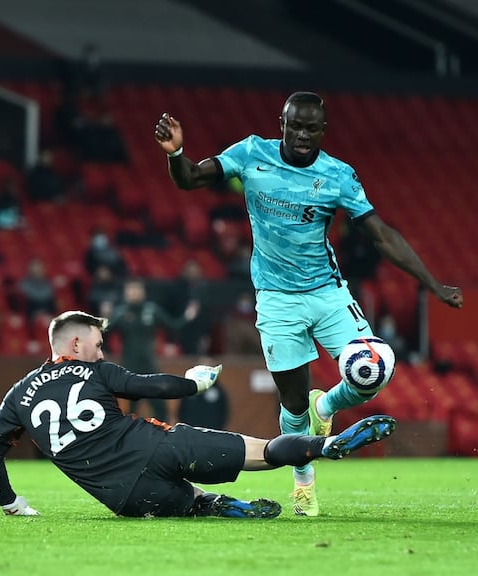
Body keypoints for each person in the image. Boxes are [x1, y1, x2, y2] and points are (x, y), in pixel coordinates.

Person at [154, 92, 462, 516]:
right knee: (293, 403)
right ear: (281, 123)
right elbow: (190, 178)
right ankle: (303, 481)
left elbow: (381, 235)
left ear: (323, 131)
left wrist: (432, 284)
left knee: (375, 369)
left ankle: (328, 405)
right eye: (295, 126)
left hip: (327, 294)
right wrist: (176, 154)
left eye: (311, 128)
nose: (302, 135)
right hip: (276, 300)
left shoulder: (337, 175)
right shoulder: (251, 153)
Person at [0, 310, 396, 518]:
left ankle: (215, 504)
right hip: (158, 447)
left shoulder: (18, 396)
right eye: (98, 344)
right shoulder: (96, 371)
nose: (101, 352)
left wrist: (12, 504)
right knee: (264, 451)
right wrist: (194, 383)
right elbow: (152, 386)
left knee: (189, 501)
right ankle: (326, 444)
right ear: (74, 345)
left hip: (123, 498)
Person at [106, 279, 196, 421]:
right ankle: (129, 434)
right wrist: (104, 317)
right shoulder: (120, 313)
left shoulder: (152, 310)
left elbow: (174, 326)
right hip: (129, 367)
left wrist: (187, 316)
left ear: (143, 292)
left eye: (137, 289)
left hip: (149, 365)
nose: (134, 293)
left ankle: (164, 432)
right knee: (130, 409)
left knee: (160, 406)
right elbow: (105, 333)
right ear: (125, 293)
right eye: (131, 290)